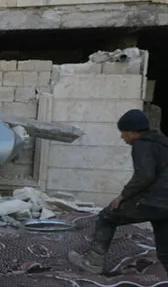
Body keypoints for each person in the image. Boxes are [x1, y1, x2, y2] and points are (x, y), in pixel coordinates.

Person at [68, 109, 168, 274]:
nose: (122, 137)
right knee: (165, 251)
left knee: (108, 216)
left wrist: (123, 196)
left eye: (124, 133)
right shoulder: (163, 143)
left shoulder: (142, 145)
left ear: (135, 132)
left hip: (154, 201)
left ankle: (93, 263)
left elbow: (144, 176)